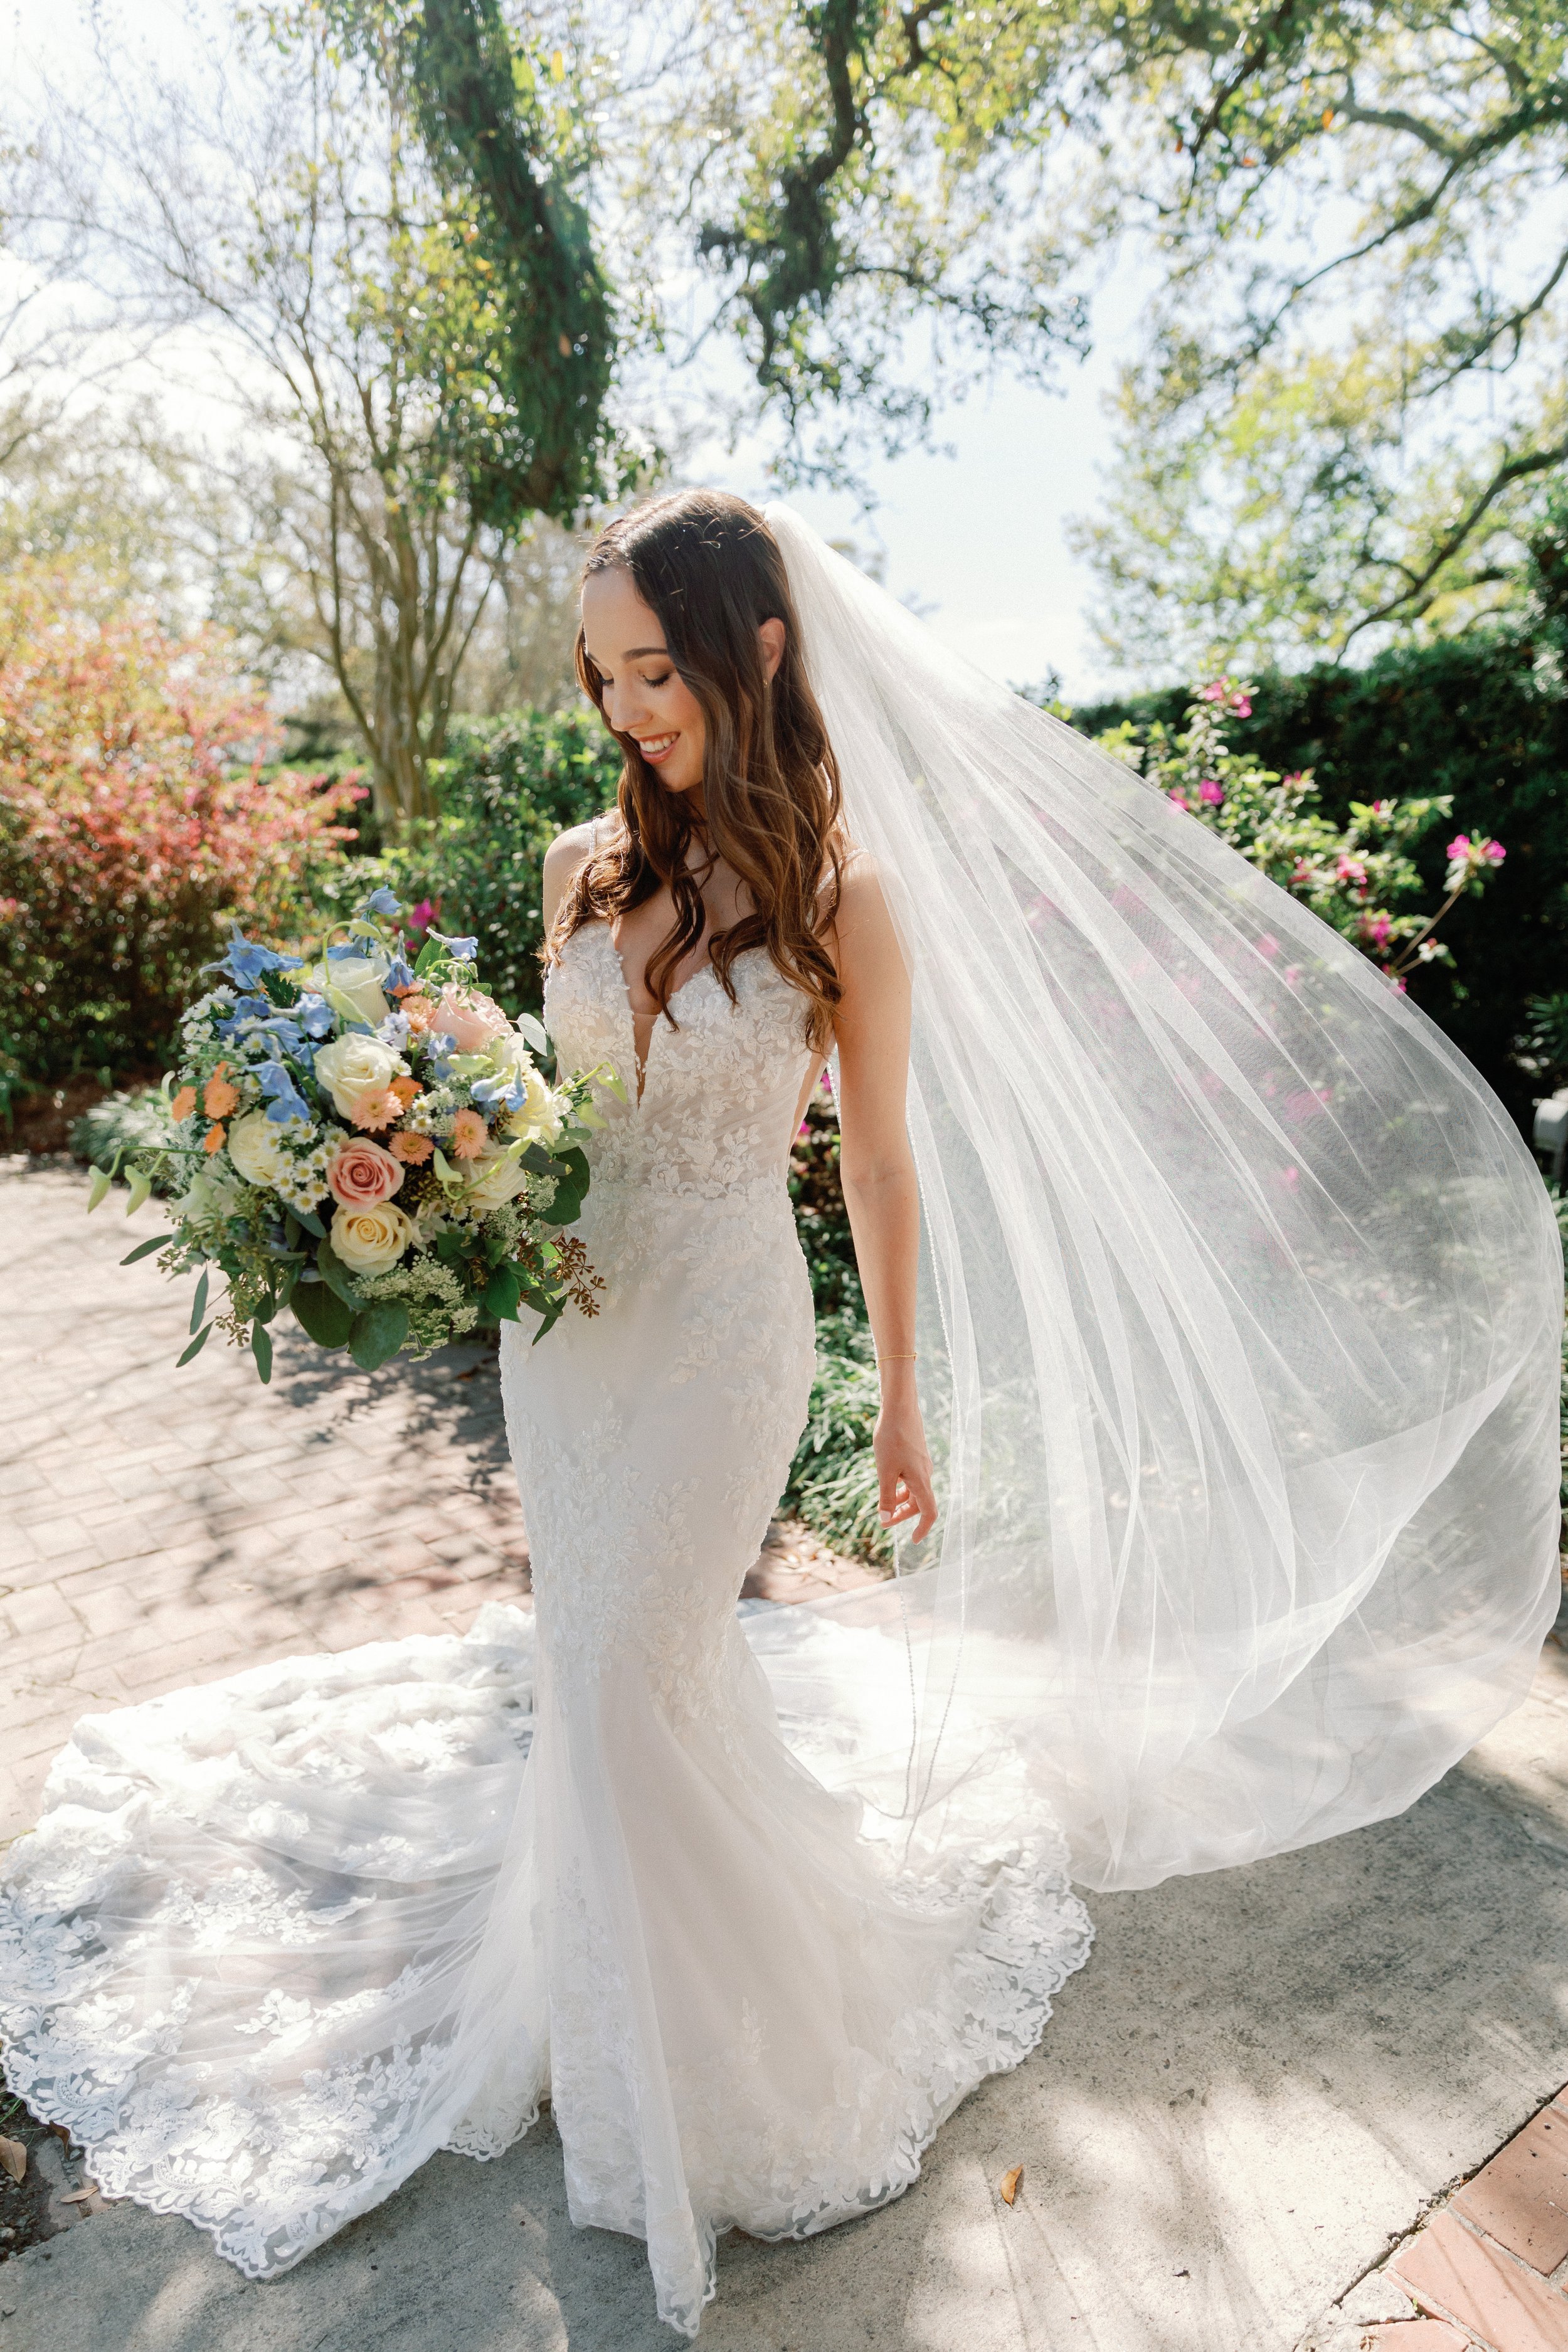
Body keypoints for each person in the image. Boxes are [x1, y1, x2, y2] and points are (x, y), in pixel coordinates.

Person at [1, 491, 1559, 2338]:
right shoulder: (582, 860)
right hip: (566, 1330)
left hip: (727, 1333)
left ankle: (705, 2089)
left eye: (650, 668)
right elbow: (554, 1107)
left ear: (753, 647)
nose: (620, 710)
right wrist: (431, 1175)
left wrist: (895, 1406)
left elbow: (882, 1164)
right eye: (597, 677)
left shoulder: (843, 890)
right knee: (596, 1669)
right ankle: (609, 2018)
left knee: (622, 1674)